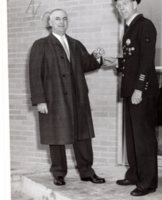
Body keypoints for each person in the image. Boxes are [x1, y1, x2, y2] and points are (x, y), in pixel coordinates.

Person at [29, 8, 105, 186]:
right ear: (50, 23)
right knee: (56, 137)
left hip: (78, 98)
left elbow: (86, 64)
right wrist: (40, 100)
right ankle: (59, 174)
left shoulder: (75, 44)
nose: (61, 22)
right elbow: (34, 74)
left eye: (64, 19)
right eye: (57, 19)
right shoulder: (40, 45)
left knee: (83, 136)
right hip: (54, 99)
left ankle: (87, 171)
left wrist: (96, 57)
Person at [103, 0, 159, 196]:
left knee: (143, 138)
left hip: (140, 91)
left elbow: (146, 60)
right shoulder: (130, 28)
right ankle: (135, 174)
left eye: (125, 3)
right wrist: (117, 62)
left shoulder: (145, 26)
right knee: (133, 137)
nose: (121, 8)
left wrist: (139, 89)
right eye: (118, 5)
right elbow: (132, 61)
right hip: (130, 90)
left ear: (135, 3)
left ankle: (148, 182)